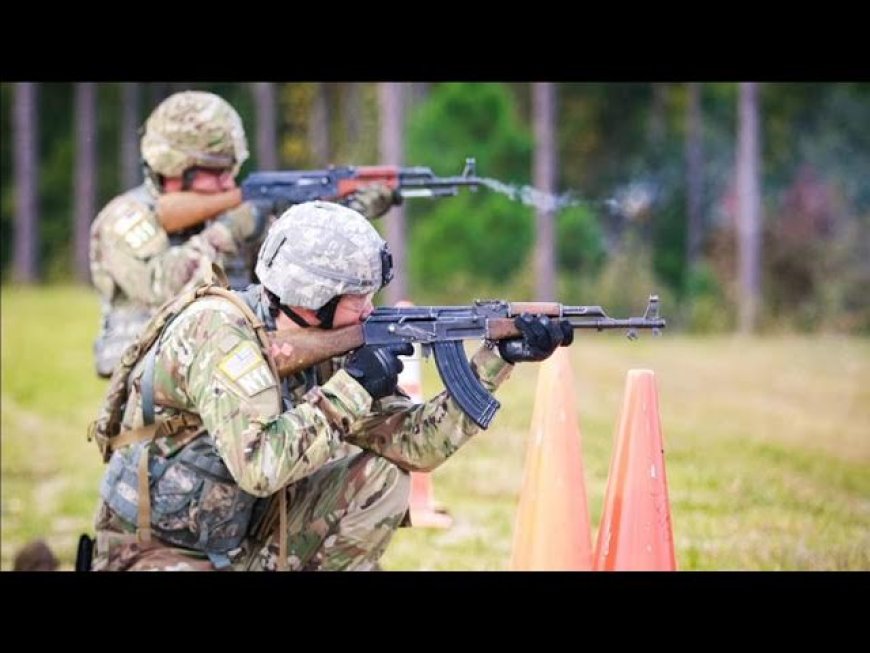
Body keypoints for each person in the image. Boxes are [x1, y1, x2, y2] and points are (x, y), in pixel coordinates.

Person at [89, 201, 572, 571]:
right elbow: (260, 466)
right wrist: (354, 386)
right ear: (311, 296)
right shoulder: (220, 334)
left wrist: (497, 359)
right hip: (152, 552)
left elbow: (416, 446)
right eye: (357, 296)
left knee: (383, 477)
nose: (369, 309)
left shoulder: (324, 339)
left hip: (239, 540)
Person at [89, 89, 398, 379]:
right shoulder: (125, 219)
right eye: (217, 171)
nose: (228, 182)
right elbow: (160, 285)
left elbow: (293, 281)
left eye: (231, 170)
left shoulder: (229, 215)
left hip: (230, 365)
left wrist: (344, 217)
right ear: (174, 165)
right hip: (152, 379)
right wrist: (231, 229)